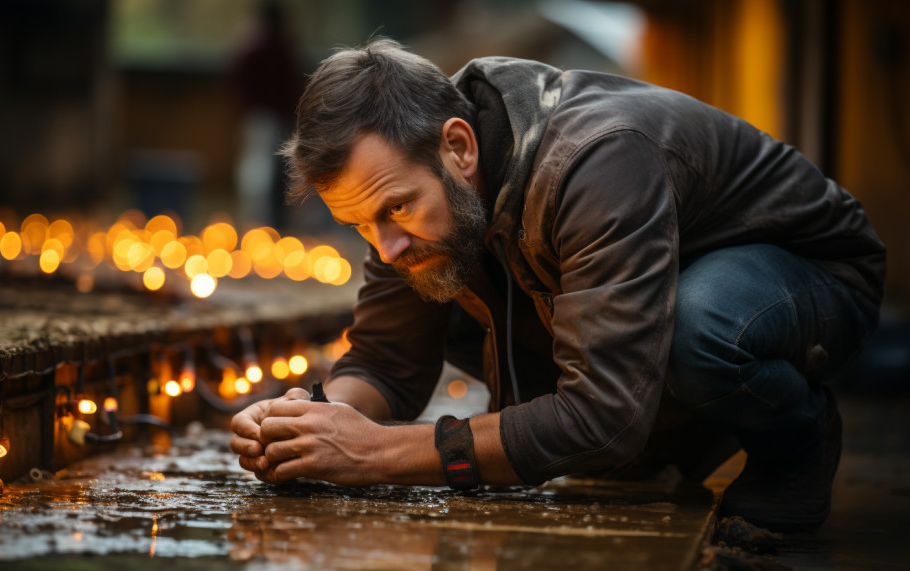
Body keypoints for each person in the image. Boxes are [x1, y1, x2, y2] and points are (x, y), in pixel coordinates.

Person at [230, 38, 885, 532]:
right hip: (653, 294)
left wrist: (376, 454)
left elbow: (603, 417)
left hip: (807, 280)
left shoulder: (597, 160)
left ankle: (795, 438)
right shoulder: (408, 190)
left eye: (396, 208)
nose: (385, 246)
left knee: (699, 328)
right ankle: (683, 433)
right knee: (436, 285)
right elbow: (384, 359)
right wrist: (312, 422)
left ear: (459, 148)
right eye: (360, 225)